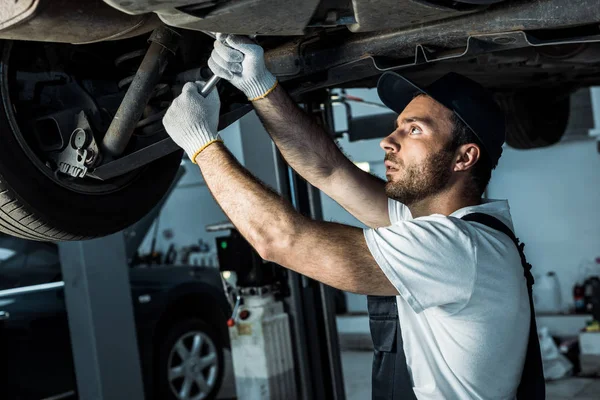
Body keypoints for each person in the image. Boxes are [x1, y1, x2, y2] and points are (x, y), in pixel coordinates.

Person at [162, 34, 543, 399]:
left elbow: (280, 240)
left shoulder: (456, 248)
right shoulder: (440, 226)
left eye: (414, 130)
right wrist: (259, 85)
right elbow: (328, 170)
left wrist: (202, 144)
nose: (388, 141)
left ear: (464, 158)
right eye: (397, 127)